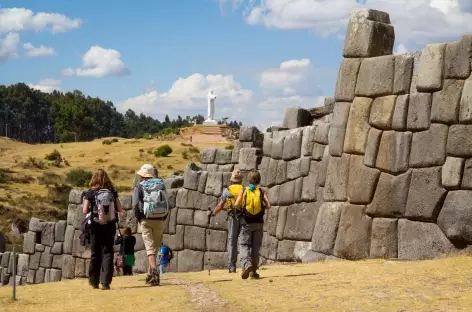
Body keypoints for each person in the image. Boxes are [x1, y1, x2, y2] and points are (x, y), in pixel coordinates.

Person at [82, 169, 125, 290]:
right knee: (108, 252)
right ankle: (105, 282)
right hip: (109, 226)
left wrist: (94, 210)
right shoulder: (112, 191)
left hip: (95, 226)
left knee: (95, 253)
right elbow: (120, 209)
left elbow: (84, 211)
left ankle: (94, 282)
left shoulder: (91, 192)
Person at [132, 164, 169, 286]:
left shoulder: (139, 186)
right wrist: (163, 216)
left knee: (149, 247)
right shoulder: (161, 184)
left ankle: (154, 273)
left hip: (146, 218)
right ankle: (150, 274)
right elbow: (167, 202)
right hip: (159, 218)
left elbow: (135, 205)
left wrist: (139, 218)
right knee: (156, 247)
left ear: (142, 175)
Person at [234, 170, 270, 280]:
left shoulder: (243, 190)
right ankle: (253, 272)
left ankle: (246, 264)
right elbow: (268, 205)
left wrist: (240, 208)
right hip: (258, 222)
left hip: (246, 222)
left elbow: (236, 204)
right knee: (256, 248)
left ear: (248, 179)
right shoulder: (262, 191)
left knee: (244, 245)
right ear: (259, 180)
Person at [208, 169, 244, 273]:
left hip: (232, 217)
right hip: (244, 218)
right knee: (243, 241)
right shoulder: (244, 189)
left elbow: (220, 205)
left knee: (232, 242)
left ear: (232, 180)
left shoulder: (227, 190)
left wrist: (213, 213)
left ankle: (232, 266)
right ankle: (244, 264)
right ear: (240, 180)